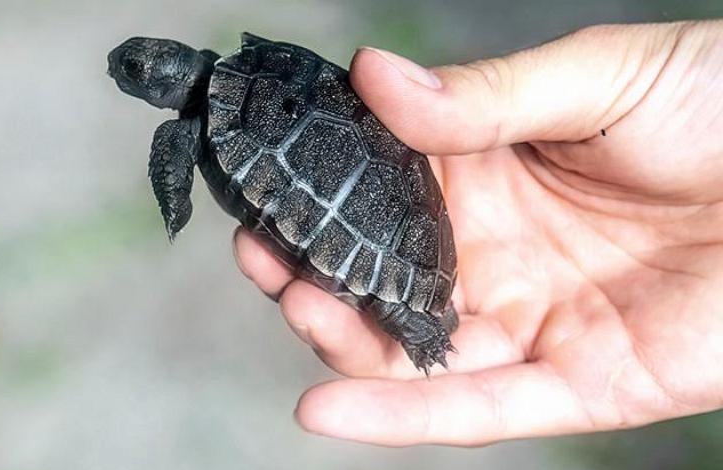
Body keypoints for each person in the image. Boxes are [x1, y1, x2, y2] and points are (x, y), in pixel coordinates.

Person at [231, 20, 723, 447]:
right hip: (397, 234)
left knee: (393, 311)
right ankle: (423, 319)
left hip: (386, 232)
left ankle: (423, 328)